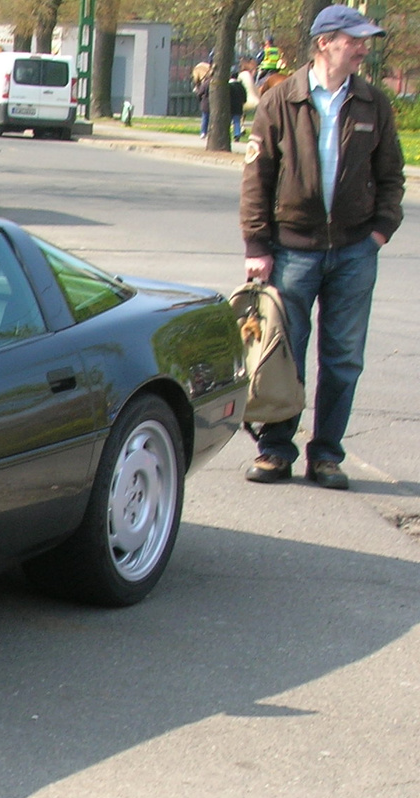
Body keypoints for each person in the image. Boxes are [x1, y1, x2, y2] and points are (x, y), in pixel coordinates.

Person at [240, 3, 404, 490]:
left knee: (343, 359)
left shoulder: (374, 102)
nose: (362, 48)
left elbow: (391, 176)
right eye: (353, 40)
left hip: (355, 250)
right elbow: (257, 177)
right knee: (284, 354)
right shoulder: (281, 100)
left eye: (363, 41)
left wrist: (380, 231)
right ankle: (275, 450)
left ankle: (327, 455)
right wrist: (257, 244)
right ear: (325, 43)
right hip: (292, 250)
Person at [228, 66, 246, 140]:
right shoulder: (241, 86)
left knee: (227, 122)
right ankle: (237, 134)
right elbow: (244, 97)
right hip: (238, 107)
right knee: (237, 121)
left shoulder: (228, 86)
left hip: (229, 106)